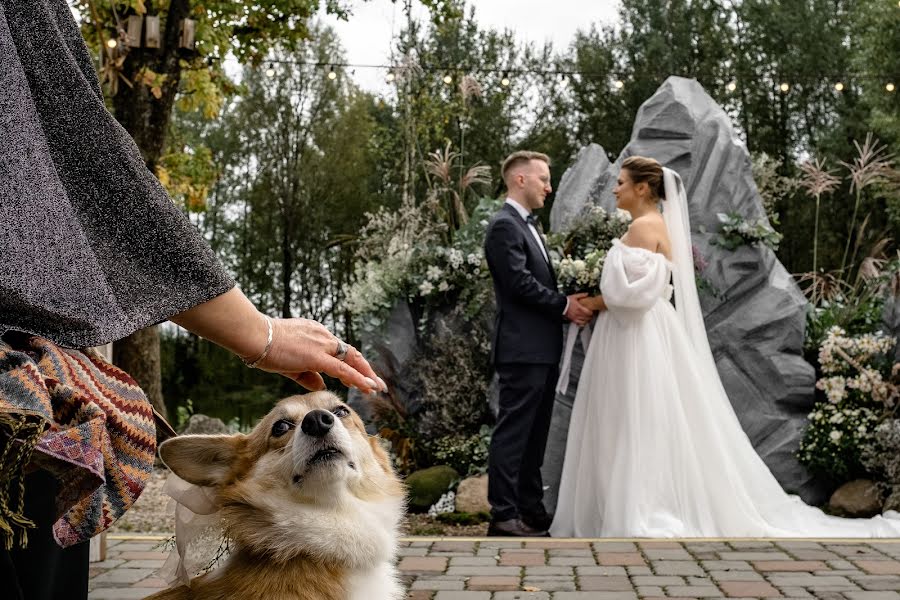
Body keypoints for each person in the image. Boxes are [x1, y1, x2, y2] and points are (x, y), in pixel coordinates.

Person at [0, 2, 384, 598]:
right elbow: (83, 156)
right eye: (285, 430)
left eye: (340, 416)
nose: (321, 419)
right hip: (18, 410)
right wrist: (255, 332)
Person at [549, 156, 900, 537]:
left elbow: (629, 295)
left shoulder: (640, 228)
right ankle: (644, 502)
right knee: (648, 416)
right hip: (649, 330)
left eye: (621, 182)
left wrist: (589, 302)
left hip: (633, 334)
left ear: (642, 188)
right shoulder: (658, 225)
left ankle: (637, 509)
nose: (615, 188)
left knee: (631, 417)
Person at [483, 151, 593, 537]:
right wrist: (565, 305)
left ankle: (531, 511)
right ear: (520, 180)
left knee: (534, 436)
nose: (549, 186)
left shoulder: (530, 226)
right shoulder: (503, 226)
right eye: (544, 179)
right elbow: (518, 284)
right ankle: (503, 514)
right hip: (521, 347)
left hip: (541, 348)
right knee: (514, 432)